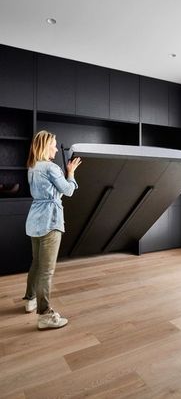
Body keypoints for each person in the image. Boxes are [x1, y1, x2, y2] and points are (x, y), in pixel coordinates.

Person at [23, 130, 82, 330]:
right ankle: (45, 314)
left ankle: (30, 299)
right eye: (54, 145)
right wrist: (71, 173)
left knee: (37, 264)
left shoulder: (32, 167)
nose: (56, 148)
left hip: (34, 220)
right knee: (46, 271)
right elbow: (69, 190)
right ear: (46, 145)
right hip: (50, 220)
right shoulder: (51, 167)